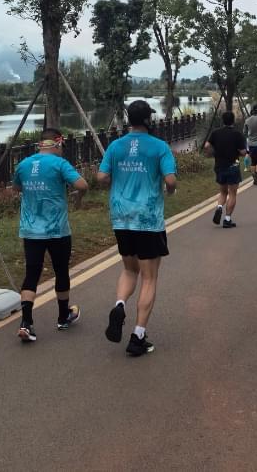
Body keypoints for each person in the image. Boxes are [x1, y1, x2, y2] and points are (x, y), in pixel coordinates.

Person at [99, 100, 178, 357]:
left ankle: (120, 304)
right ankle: (138, 336)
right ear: (147, 120)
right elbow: (170, 180)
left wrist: (114, 179)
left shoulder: (115, 146)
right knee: (150, 277)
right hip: (148, 219)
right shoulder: (159, 147)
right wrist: (170, 188)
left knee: (129, 269)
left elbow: (101, 177)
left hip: (121, 217)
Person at [13, 128, 90, 343]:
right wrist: (78, 196)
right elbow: (82, 184)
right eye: (62, 145)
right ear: (57, 143)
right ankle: (63, 316)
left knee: (32, 273)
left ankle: (26, 323)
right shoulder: (60, 164)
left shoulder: (23, 164)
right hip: (57, 230)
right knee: (61, 270)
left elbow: (16, 188)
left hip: (31, 230)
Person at [205, 111, 247, 228]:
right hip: (233, 166)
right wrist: (241, 152)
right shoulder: (237, 134)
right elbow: (243, 152)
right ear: (233, 121)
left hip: (219, 166)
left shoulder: (215, 133)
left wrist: (211, 154)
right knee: (232, 193)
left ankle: (219, 208)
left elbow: (207, 146)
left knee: (223, 191)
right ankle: (227, 219)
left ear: (222, 120)